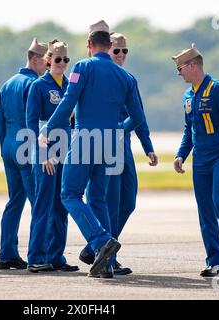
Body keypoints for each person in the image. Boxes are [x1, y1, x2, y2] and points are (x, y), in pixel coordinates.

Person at [39, 20, 145, 278]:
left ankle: (100, 241)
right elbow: (138, 117)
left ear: (88, 45)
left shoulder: (82, 67)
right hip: (112, 143)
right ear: (110, 47)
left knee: (70, 194)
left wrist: (48, 131)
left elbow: (67, 103)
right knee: (98, 200)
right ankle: (106, 265)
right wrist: (119, 129)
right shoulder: (125, 76)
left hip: (86, 137)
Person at [79, 32, 158, 276]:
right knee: (108, 201)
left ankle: (96, 249)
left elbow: (139, 116)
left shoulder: (126, 78)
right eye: (117, 51)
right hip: (106, 144)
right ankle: (106, 257)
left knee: (128, 201)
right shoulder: (94, 75)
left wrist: (148, 146)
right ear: (108, 50)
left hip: (123, 145)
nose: (121, 55)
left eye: (125, 51)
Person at [172, 43, 219, 277]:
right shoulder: (188, 95)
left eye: (180, 67)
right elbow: (189, 129)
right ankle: (215, 261)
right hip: (200, 161)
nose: (178, 72)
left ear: (193, 65)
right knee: (205, 210)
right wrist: (181, 154)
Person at [25, 40, 79, 273]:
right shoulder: (39, 86)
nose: (62, 63)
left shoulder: (70, 86)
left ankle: (56, 255)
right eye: (58, 59)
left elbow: (74, 123)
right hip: (46, 154)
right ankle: (36, 256)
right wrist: (44, 154)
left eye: (66, 60)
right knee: (43, 205)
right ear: (47, 60)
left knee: (61, 205)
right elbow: (32, 124)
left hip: (66, 153)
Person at [0, 38, 48, 270]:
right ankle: (40, 255)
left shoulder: (7, 84)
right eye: (46, 62)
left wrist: (3, 148)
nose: (48, 67)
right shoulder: (34, 84)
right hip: (27, 146)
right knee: (38, 200)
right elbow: (34, 121)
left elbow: (0, 122)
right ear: (35, 59)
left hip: (8, 145)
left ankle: (7, 253)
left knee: (15, 200)